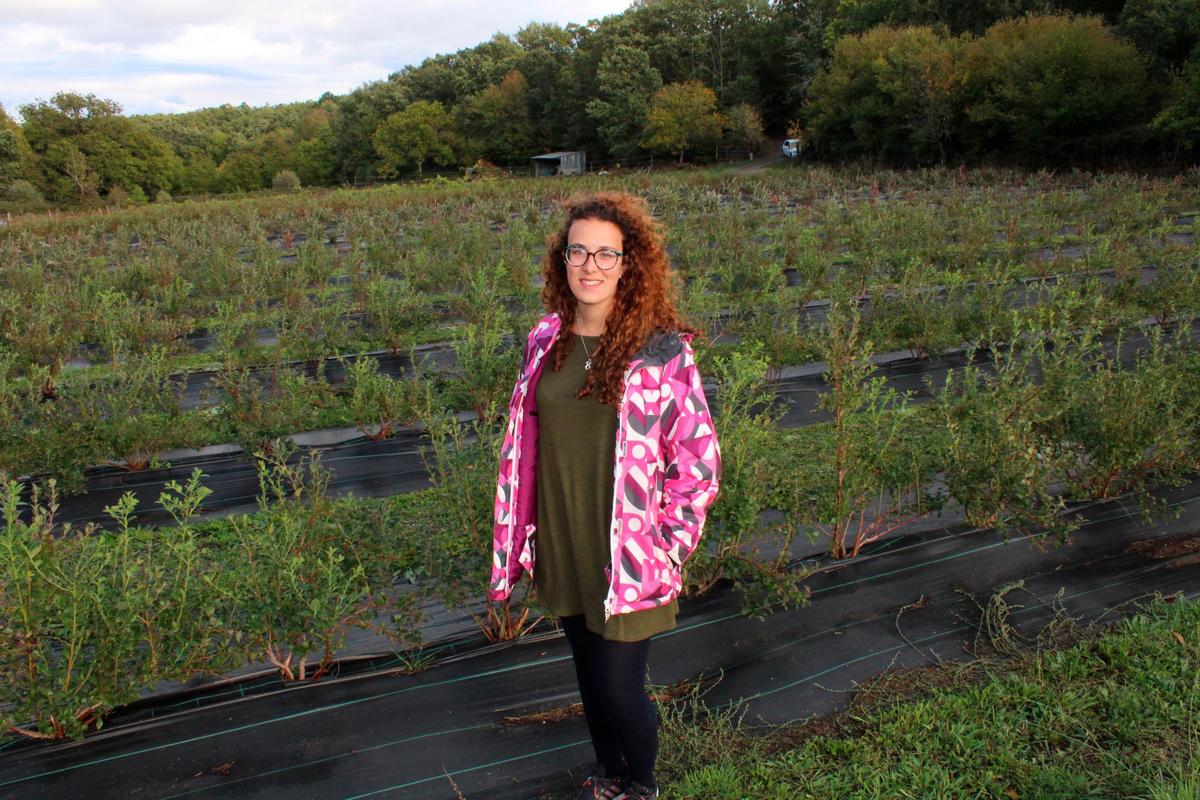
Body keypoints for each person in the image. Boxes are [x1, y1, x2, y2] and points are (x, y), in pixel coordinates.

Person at [488, 192, 722, 799]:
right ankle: (608, 775)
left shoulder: (661, 351)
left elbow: (698, 460)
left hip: (630, 552)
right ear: (562, 261)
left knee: (621, 686)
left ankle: (640, 786)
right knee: (589, 676)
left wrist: (667, 547)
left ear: (629, 264)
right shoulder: (545, 340)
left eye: (606, 254)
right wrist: (520, 531)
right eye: (578, 251)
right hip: (564, 536)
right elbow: (527, 440)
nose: (590, 266)